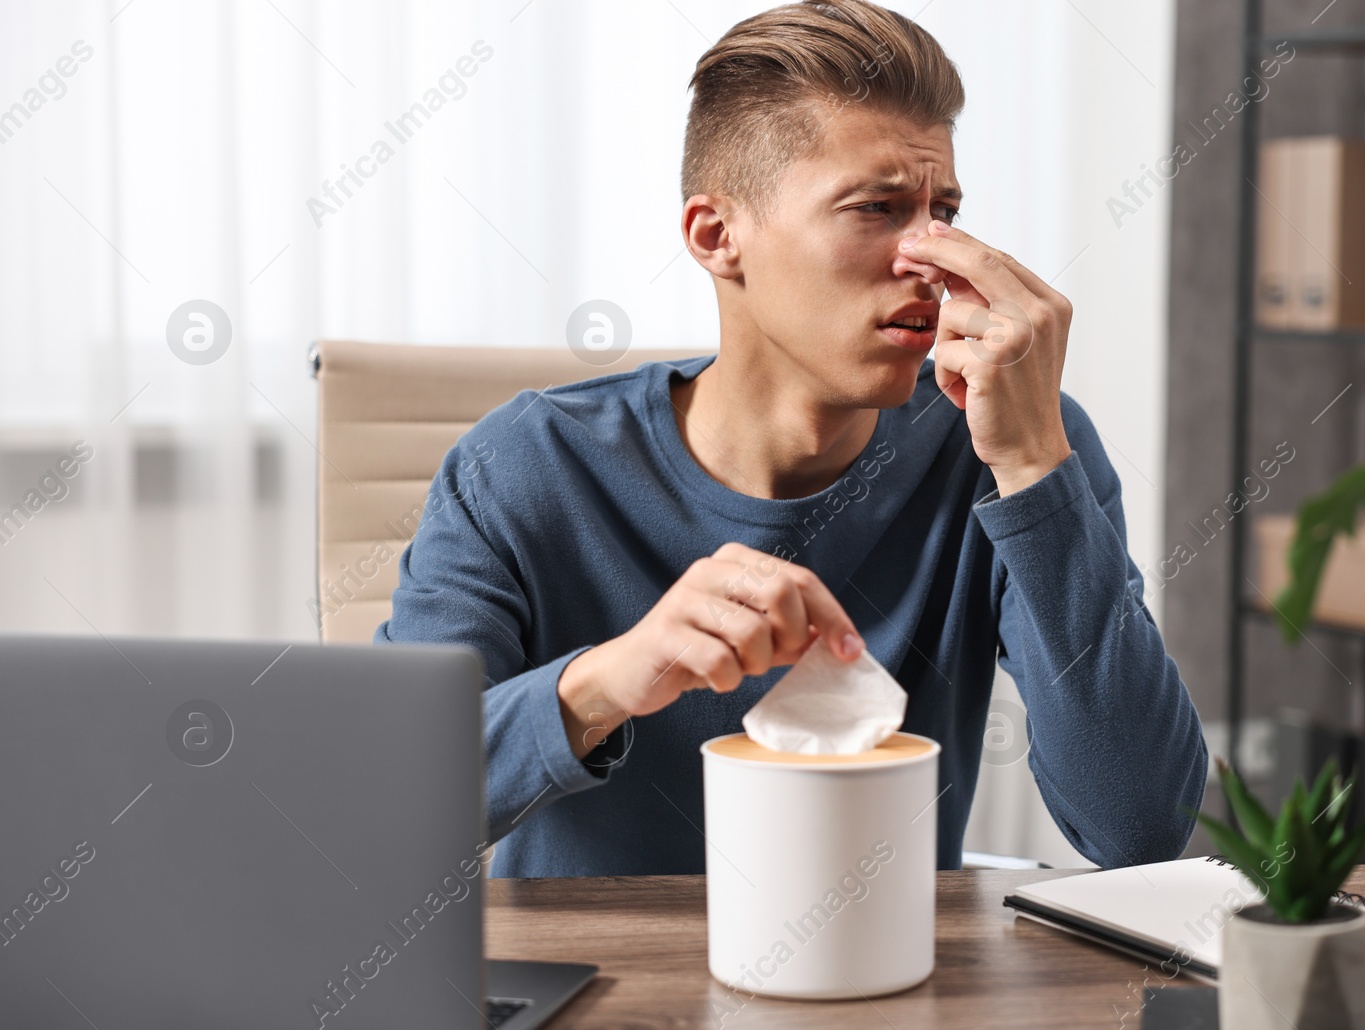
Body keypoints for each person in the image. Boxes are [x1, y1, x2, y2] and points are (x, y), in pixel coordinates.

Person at [377, 0, 1207, 877]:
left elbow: (1142, 825)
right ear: (717, 235)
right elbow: (382, 806)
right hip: (606, 998)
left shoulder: (1008, 445)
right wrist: (613, 677)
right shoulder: (522, 466)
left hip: (889, 986)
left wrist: (1038, 467)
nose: (931, 257)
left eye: (945, 210)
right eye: (877, 208)